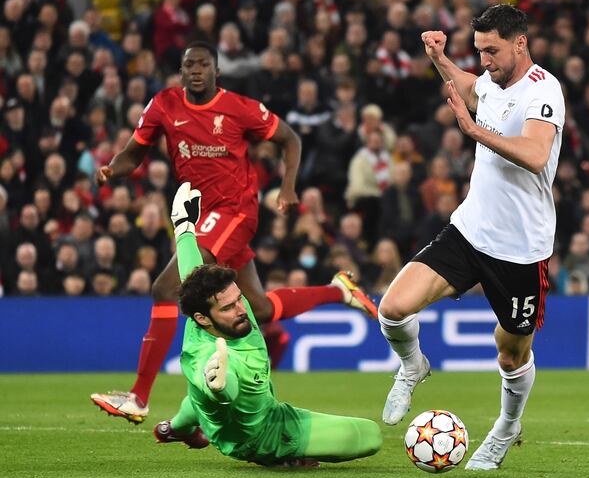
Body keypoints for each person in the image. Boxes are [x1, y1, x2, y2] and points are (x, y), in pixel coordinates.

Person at [91, 41, 378, 424]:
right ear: (181, 72)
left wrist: (289, 186)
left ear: (216, 71)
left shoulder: (239, 108)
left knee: (166, 287)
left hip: (235, 211)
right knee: (258, 308)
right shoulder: (163, 105)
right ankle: (339, 290)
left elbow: (290, 138)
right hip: (199, 215)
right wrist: (112, 169)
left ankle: (139, 396)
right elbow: (134, 152)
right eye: (188, 64)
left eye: (203, 64)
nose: (195, 70)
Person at [377, 5, 564, 471]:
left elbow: (537, 155)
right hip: (470, 229)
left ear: (520, 43)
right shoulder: (492, 82)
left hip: (522, 249)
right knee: (394, 309)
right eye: (478, 50)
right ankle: (413, 366)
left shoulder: (544, 91)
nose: (483, 60)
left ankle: (506, 426)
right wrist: (439, 57)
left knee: (511, 349)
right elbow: (469, 86)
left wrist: (473, 129)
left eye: (491, 50)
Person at [154, 183, 382, 466]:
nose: (242, 309)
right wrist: (219, 387)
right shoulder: (211, 358)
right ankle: (284, 454)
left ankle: (175, 428)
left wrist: (184, 228)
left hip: (248, 409)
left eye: (239, 299)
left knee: (197, 402)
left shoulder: (207, 308)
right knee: (370, 436)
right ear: (203, 319)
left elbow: (191, 271)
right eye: (229, 307)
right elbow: (220, 385)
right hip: (261, 436)